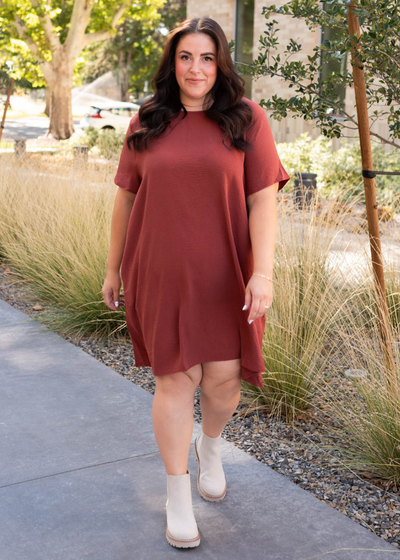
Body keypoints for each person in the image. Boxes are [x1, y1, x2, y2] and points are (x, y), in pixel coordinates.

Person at [102, 16, 290, 550]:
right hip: (160, 271)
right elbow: (126, 196)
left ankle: (211, 446)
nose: (196, 68)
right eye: (186, 57)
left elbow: (262, 199)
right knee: (175, 380)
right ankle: (177, 495)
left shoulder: (246, 118)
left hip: (227, 272)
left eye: (207, 57)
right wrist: (112, 268)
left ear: (221, 62)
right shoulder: (149, 118)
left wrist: (263, 271)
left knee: (224, 382)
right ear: (172, 62)